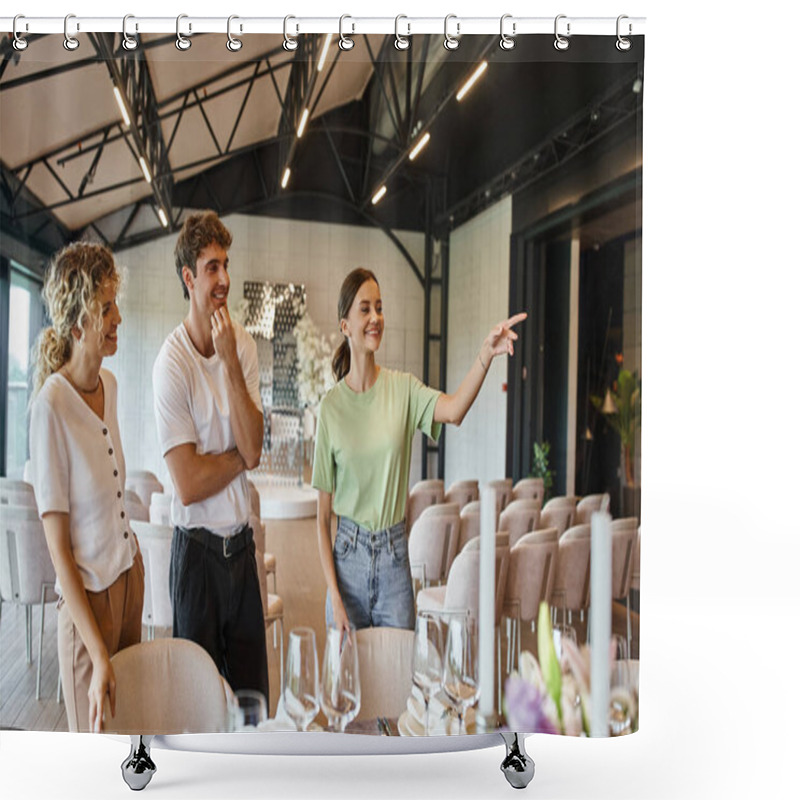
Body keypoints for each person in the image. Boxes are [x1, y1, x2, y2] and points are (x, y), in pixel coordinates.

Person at [313, 267, 526, 634]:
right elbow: (321, 519)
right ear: (345, 324)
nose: (376, 318)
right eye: (364, 309)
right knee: (347, 683)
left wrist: (485, 355)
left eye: (379, 308)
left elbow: (455, 410)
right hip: (347, 559)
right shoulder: (331, 408)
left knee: (398, 681)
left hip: (395, 558)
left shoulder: (404, 390)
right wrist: (333, 594)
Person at [152, 211, 268, 702]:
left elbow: (255, 447)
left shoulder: (241, 344)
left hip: (241, 553)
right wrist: (239, 458)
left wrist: (230, 365)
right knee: (195, 706)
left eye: (226, 265)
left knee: (252, 705)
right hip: (195, 558)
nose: (223, 278)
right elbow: (189, 483)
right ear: (188, 277)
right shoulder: (171, 363)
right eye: (211, 267)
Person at [29, 242, 144, 733]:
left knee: (134, 742)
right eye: (105, 308)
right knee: (93, 757)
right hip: (87, 609)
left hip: (129, 581)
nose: (117, 316)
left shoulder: (111, 386)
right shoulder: (49, 407)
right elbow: (59, 552)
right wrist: (98, 653)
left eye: (115, 303)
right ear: (77, 324)